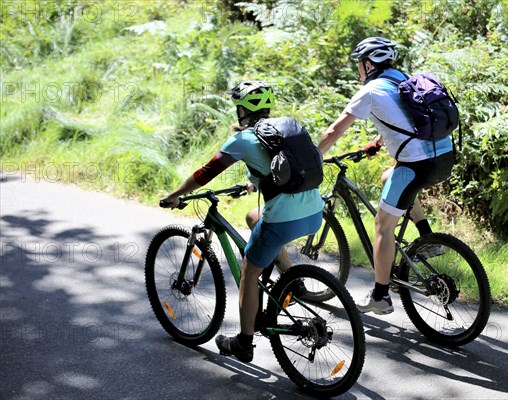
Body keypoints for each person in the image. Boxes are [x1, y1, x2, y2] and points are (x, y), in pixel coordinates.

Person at [160, 81, 323, 362]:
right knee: (252, 217)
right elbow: (287, 165)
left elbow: (205, 173)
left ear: (242, 110)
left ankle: (244, 343)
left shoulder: (243, 139)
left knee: (249, 272)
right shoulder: (286, 129)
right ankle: (292, 281)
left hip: (283, 219)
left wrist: (175, 195)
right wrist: (253, 181)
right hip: (314, 213)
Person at [317, 37, 454, 315]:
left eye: (359, 64)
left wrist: (313, 156)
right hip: (444, 157)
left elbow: (334, 131)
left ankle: (380, 296)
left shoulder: (370, 90)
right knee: (387, 176)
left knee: (383, 226)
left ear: (368, 64)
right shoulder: (403, 79)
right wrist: (378, 143)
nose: (358, 70)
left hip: (416, 165)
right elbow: (408, 116)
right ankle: (427, 240)